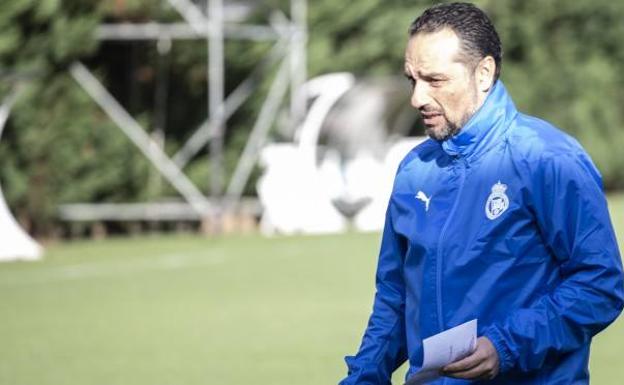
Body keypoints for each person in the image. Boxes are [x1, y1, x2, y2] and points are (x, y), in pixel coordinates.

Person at [339, 2, 624, 384]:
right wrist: (363, 376)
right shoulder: (414, 170)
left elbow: (600, 284)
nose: (417, 98)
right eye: (412, 80)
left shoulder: (548, 159)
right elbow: (395, 295)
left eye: (434, 80)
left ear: (484, 72)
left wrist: (506, 346)